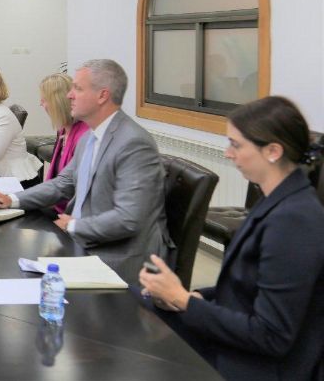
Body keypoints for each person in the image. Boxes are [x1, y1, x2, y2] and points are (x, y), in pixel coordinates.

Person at [138, 96, 324, 380]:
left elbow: (271, 336)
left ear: (273, 151)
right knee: (137, 302)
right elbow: (244, 286)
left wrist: (184, 300)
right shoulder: (275, 199)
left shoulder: (294, 220)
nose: (227, 153)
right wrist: (195, 296)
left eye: (236, 145)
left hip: (258, 367)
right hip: (239, 342)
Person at [0, 59, 170, 274]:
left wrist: (74, 226)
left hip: (116, 256)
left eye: (78, 89)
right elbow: (64, 183)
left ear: (102, 95)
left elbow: (129, 218)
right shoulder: (90, 136)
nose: (69, 95)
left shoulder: (133, 143)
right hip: (82, 240)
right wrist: (11, 199)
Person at [40, 72, 90, 214]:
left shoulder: (84, 136)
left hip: (72, 215)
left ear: (57, 102)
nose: (41, 103)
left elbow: (76, 189)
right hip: (58, 206)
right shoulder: (63, 130)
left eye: (44, 99)